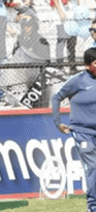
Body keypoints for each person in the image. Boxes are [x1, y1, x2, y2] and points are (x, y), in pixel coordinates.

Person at [52, 47, 96, 212]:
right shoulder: (77, 81)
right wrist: (57, 121)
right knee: (93, 167)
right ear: (87, 65)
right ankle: (92, 207)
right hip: (83, 133)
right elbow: (56, 97)